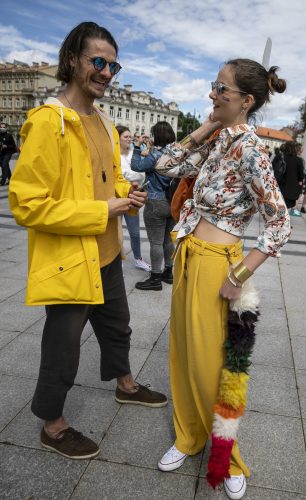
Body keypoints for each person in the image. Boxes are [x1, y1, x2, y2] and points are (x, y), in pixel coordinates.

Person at [8, 22, 167, 460]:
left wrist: (125, 196)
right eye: (98, 61)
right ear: (73, 59)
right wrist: (104, 211)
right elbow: (26, 204)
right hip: (69, 260)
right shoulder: (48, 122)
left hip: (108, 252)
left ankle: (126, 386)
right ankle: (53, 426)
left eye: (113, 64)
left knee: (118, 327)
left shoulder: (103, 121)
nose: (107, 71)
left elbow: (110, 178)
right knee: (62, 346)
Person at [151, 59, 290, 499]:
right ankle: (189, 437)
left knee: (215, 364)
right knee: (183, 351)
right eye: (214, 86)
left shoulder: (252, 150)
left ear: (247, 101)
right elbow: (165, 165)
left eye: (222, 90)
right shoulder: (215, 138)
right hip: (188, 253)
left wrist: (240, 273)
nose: (213, 94)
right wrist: (205, 127)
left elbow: (280, 223)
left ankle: (226, 455)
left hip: (218, 262)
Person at [131, 121, 177, 290]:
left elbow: (136, 166)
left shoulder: (156, 155)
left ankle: (155, 278)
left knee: (156, 242)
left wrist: (137, 148)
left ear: (157, 135)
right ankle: (168, 272)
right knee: (167, 240)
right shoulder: (177, 153)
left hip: (155, 201)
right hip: (172, 201)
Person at [116, 125, 151, 271]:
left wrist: (128, 175)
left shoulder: (134, 153)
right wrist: (131, 175)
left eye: (130, 137)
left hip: (133, 196)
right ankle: (118, 261)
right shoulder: (114, 155)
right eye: (126, 137)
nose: (129, 139)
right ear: (117, 138)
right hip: (116, 196)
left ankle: (138, 259)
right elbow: (122, 175)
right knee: (116, 233)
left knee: (135, 232)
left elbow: (141, 174)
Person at [279, 141, 305, 216]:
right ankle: (284, 221)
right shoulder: (298, 160)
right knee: (287, 205)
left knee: (280, 203)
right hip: (292, 187)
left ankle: (279, 220)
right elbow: (301, 176)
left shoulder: (281, 157)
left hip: (280, 184)